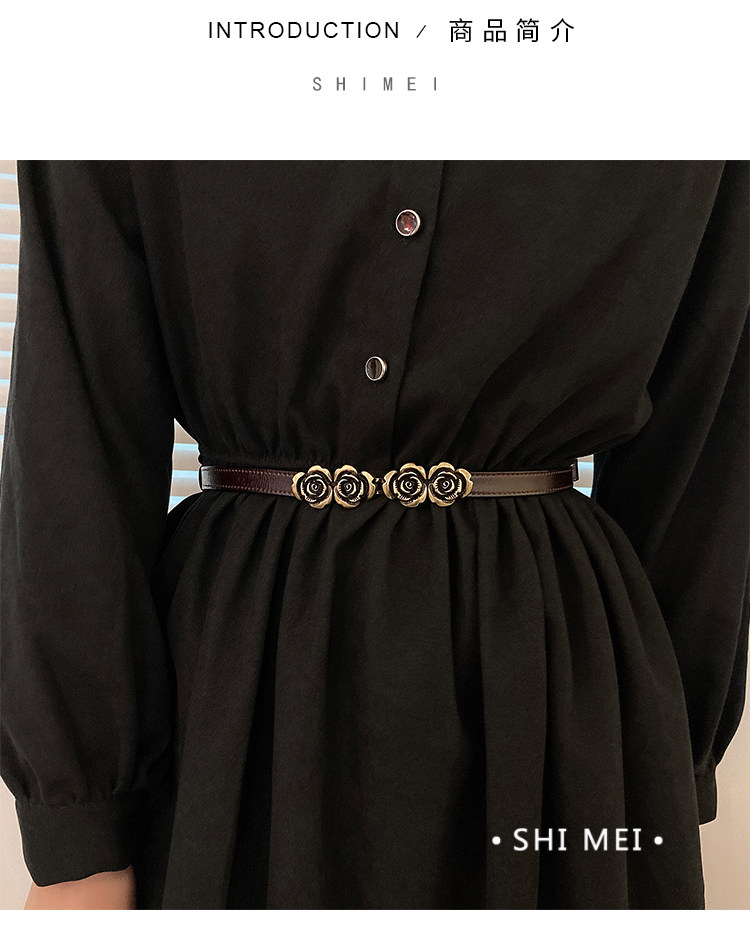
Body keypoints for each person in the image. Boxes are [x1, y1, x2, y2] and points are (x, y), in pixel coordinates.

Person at [1, 160, 748, 910]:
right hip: (240, 692)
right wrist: (80, 836)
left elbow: (706, 436)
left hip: (553, 691)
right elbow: (77, 416)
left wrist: (660, 767)